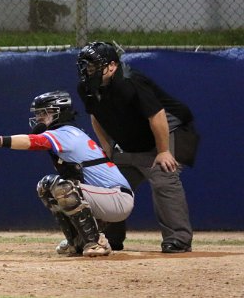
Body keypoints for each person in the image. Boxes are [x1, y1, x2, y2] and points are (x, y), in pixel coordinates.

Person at [0, 90, 134, 257]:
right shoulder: (67, 132)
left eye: (44, 113)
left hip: (117, 197)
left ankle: (96, 242)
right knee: (46, 187)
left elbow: (32, 141)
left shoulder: (66, 133)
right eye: (38, 113)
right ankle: (77, 241)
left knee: (62, 187)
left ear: (59, 112)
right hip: (104, 196)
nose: (39, 118)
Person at [76, 42, 196, 253]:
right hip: (134, 138)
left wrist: (163, 151)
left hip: (169, 130)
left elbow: (157, 115)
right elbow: (96, 115)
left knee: (163, 176)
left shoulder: (130, 81)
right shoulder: (86, 88)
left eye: (94, 66)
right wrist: (107, 147)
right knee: (112, 183)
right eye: (86, 66)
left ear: (112, 66)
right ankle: (111, 237)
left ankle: (178, 238)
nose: (88, 71)